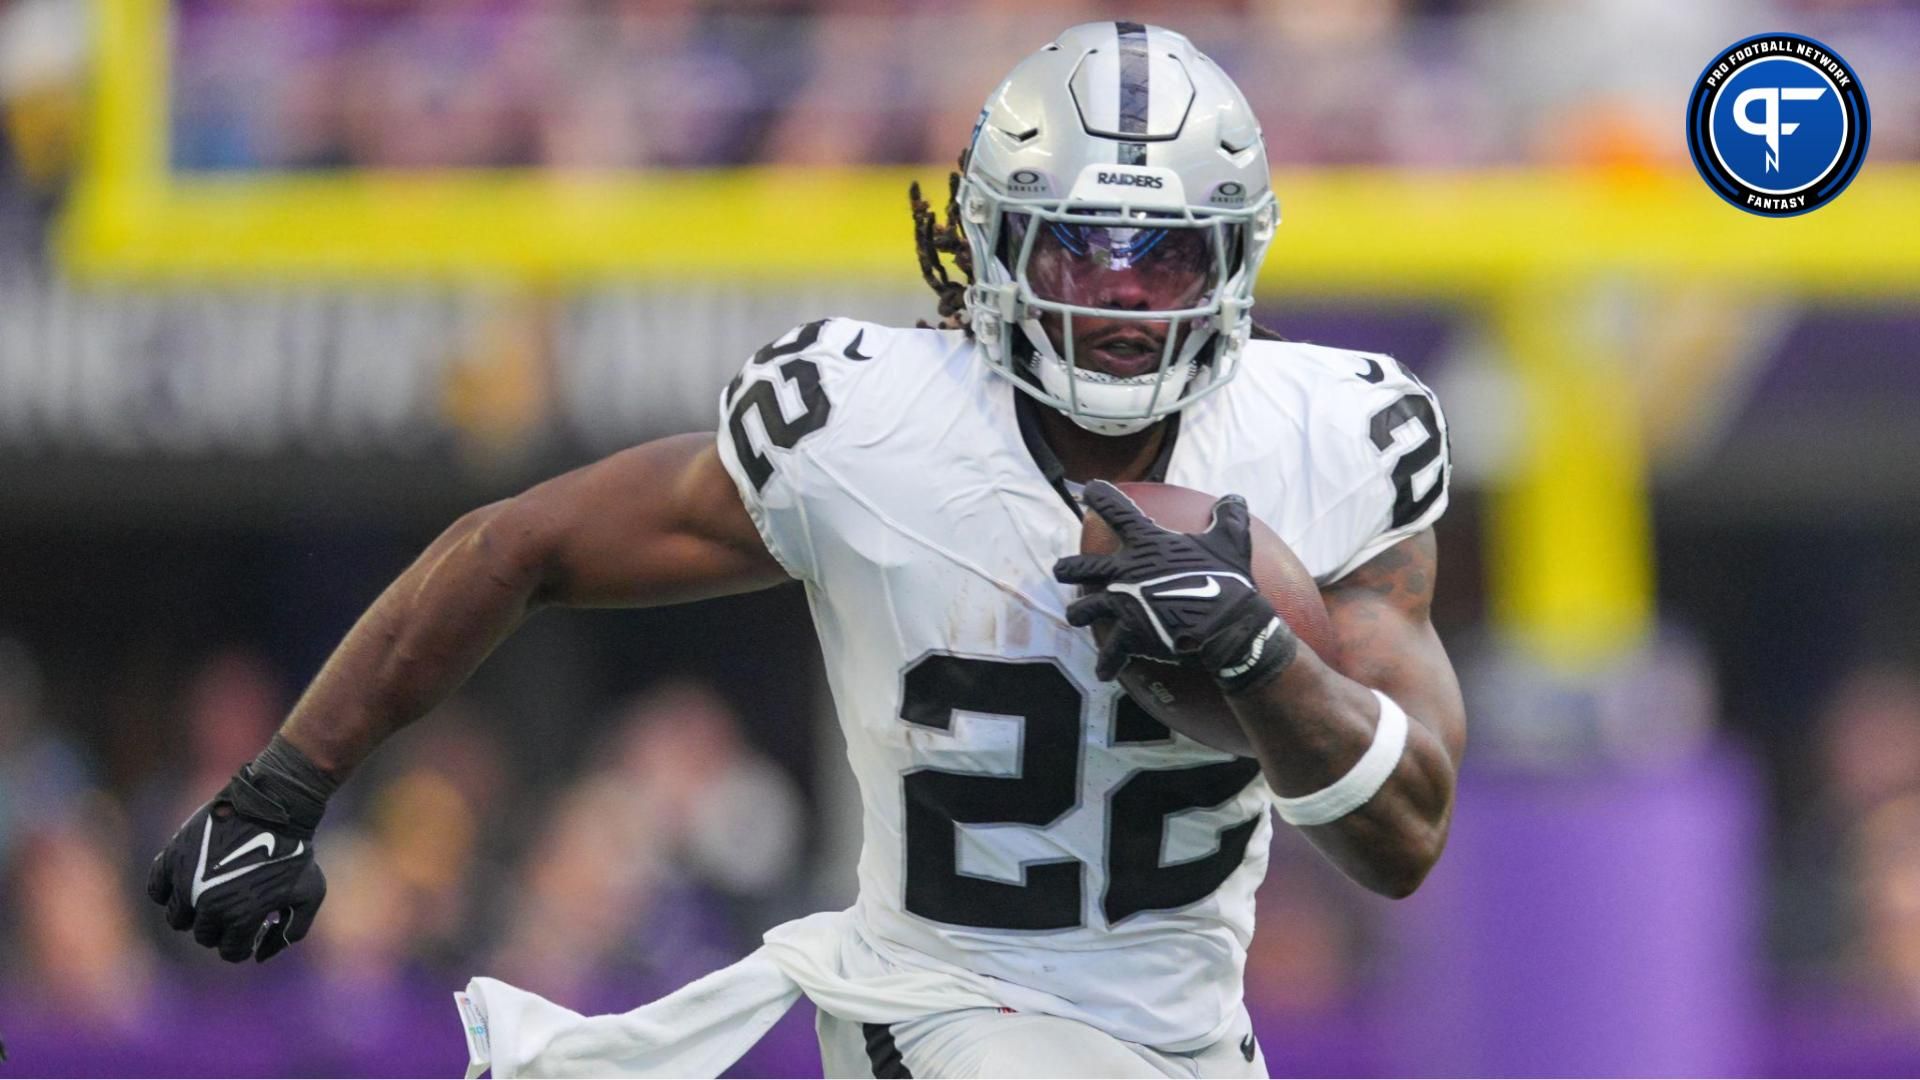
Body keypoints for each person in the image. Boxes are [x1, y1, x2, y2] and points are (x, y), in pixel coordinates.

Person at [147, 22, 1466, 1079]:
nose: (1117, 296)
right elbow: (522, 542)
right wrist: (282, 786)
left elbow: (1407, 833)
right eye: (1080, 245)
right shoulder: (868, 425)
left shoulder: (1335, 434)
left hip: (1186, 1037)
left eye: (1165, 259)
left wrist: (1260, 656)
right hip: (943, 999)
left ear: (1237, 263)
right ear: (990, 238)